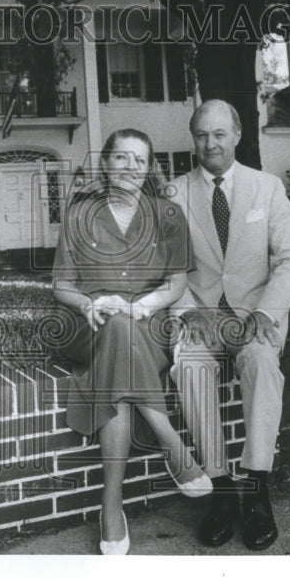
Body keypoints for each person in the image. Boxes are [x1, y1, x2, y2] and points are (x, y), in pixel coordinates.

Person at [51, 128, 212, 555]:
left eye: (140, 160)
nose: (131, 168)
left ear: (149, 167)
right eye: (121, 158)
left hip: (146, 327)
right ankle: (170, 441)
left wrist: (145, 305)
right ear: (105, 164)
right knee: (115, 328)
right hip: (92, 326)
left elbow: (177, 283)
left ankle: (111, 503)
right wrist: (88, 303)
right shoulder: (79, 214)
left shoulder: (168, 215)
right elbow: (61, 286)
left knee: (122, 341)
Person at [165, 100, 290, 551]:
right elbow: (164, 269)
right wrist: (189, 311)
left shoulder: (266, 188)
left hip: (254, 316)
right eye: (203, 135)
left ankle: (257, 485)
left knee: (263, 361)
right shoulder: (173, 194)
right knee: (188, 366)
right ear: (194, 139)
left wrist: (266, 314)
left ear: (238, 135)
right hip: (200, 316)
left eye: (220, 133)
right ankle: (222, 489)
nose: (212, 143)